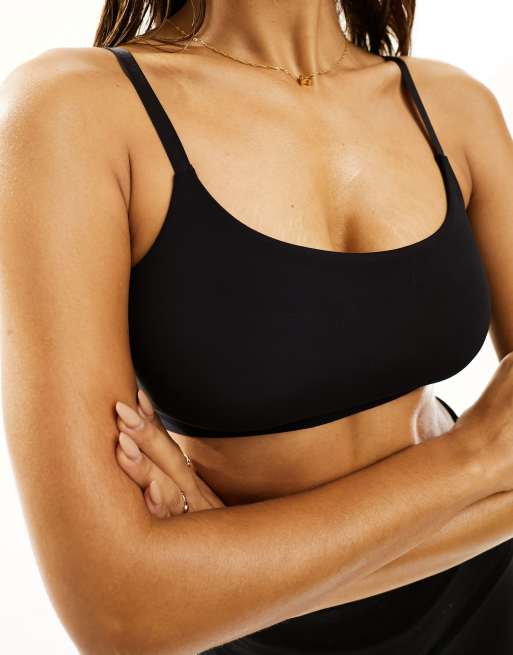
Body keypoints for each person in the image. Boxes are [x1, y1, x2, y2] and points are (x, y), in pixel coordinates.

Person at [1, 0, 513, 653]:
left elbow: (156, 608)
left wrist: (216, 584)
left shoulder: (454, 107)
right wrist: (472, 463)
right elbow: (118, 616)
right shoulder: (72, 111)